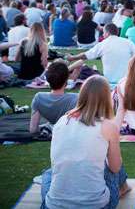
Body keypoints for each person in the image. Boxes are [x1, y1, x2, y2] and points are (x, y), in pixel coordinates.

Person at [41, 75, 129, 209]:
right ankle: (124, 187)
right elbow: (115, 168)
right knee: (111, 163)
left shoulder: (62, 121)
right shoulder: (108, 127)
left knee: (48, 174)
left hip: (54, 205)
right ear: (106, 98)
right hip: (97, 205)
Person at [67, 24, 135, 84]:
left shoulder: (102, 44)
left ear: (107, 33)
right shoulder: (129, 42)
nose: (103, 35)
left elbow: (85, 55)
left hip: (109, 82)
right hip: (126, 81)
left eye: (103, 33)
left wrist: (72, 57)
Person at [29, 62, 79, 133]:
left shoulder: (39, 97)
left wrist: (47, 127)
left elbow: (33, 129)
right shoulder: (76, 98)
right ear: (66, 79)